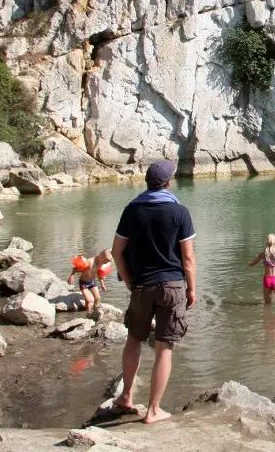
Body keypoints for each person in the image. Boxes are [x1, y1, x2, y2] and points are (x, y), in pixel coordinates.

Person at [111, 160, 196, 424]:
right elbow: (188, 259)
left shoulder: (132, 210)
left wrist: (129, 282)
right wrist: (192, 288)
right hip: (172, 286)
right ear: (168, 183)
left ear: (147, 182)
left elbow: (116, 252)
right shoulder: (179, 212)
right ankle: (153, 410)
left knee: (134, 340)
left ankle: (126, 397)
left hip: (141, 285)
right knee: (164, 347)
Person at [67, 250, 112, 317]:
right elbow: (75, 269)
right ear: (101, 258)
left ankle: (94, 310)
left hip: (92, 282)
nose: (106, 263)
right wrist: (72, 276)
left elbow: (99, 275)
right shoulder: (89, 262)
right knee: (88, 300)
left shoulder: (100, 263)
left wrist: (102, 285)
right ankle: (88, 315)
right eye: (106, 262)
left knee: (97, 298)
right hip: (83, 283)